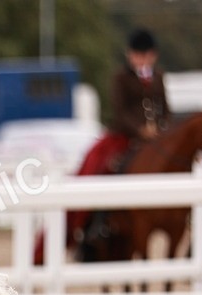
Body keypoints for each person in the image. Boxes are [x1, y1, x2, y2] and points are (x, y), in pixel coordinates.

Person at [39, 29, 172, 263]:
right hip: (125, 136)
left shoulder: (159, 77)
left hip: (155, 139)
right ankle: (93, 224)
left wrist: (161, 129)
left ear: (153, 56)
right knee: (98, 166)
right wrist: (141, 130)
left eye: (145, 55)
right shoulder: (120, 77)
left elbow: (166, 109)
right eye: (137, 54)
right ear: (130, 55)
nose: (141, 59)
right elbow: (119, 112)